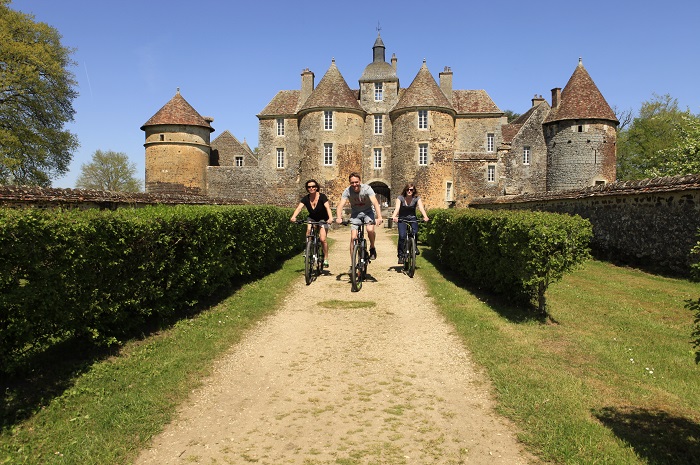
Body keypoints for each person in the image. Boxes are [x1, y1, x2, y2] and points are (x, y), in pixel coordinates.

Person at [335, 172, 383, 270]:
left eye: (356, 182)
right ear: (350, 183)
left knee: (370, 229)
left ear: (360, 181)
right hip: (355, 214)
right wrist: (339, 217)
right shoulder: (347, 191)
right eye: (352, 183)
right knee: (353, 238)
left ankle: (372, 247)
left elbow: (375, 203)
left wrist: (379, 217)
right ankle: (353, 263)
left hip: (368, 212)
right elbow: (340, 205)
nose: (354, 184)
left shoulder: (367, 189)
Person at [290, 179, 333, 267]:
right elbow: (299, 208)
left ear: (316, 187)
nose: (311, 188)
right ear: (307, 188)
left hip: (323, 219)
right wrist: (293, 216)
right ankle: (308, 248)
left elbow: (328, 208)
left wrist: (331, 218)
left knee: (322, 239)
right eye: (309, 187)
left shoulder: (322, 197)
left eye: (313, 186)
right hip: (312, 218)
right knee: (308, 232)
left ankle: (325, 258)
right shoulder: (306, 198)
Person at [391, 183, 429, 264]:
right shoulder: (400, 198)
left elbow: (421, 208)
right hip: (402, 219)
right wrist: (394, 216)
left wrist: (425, 216)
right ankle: (400, 255)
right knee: (402, 236)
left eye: (411, 189)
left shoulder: (416, 198)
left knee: (415, 232)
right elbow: (397, 208)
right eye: (408, 189)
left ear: (414, 190)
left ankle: (414, 247)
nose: (409, 191)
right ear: (405, 190)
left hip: (412, 218)